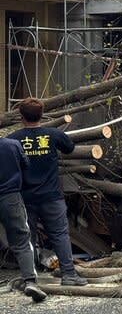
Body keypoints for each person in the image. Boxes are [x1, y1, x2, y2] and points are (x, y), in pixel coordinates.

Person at [8, 98, 86, 286]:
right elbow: (70, 148)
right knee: (59, 234)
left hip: (25, 197)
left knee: (28, 237)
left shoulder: (12, 139)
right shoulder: (53, 135)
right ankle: (69, 274)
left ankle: (31, 279)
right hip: (52, 196)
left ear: (21, 116)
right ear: (42, 115)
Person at [0, 137, 47, 302]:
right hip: (10, 196)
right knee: (21, 239)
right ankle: (30, 281)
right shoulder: (12, 145)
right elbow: (26, 166)